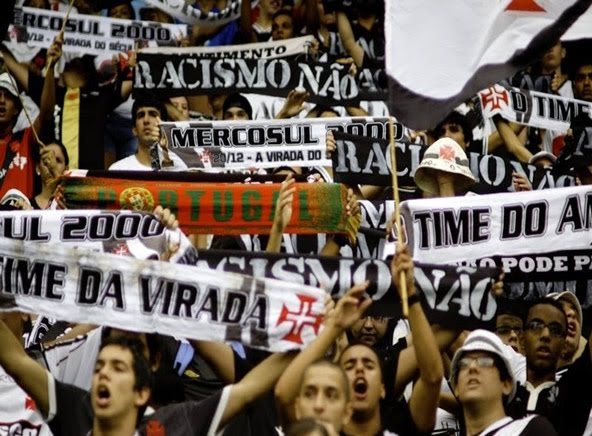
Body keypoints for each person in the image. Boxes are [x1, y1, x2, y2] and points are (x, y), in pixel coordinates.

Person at [450, 329, 558, 435]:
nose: (472, 367)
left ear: (506, 384)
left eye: (485, 362)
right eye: (464, 364)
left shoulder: (532, 430)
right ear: (456, 387)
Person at [109, 96, 187, 171]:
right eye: (141, 115)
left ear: (164, 125)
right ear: (134, 130)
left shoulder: (179, 169)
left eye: (153, 114)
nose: (146, 120)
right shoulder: (118, 169)